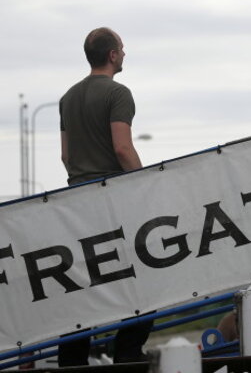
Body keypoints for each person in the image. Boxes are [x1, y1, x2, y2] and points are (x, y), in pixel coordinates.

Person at [57, 28, 152, 365]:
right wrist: (143, 184)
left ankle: (72, 358)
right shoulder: (118, 93)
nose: (125, 54)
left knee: (83, 281)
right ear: (112, 55)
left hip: (76, 200)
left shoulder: (67, 98)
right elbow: (122, 147)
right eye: (122, 49)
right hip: (111, 200)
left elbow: (66, 156)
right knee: (143, 273)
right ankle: (127, 352)